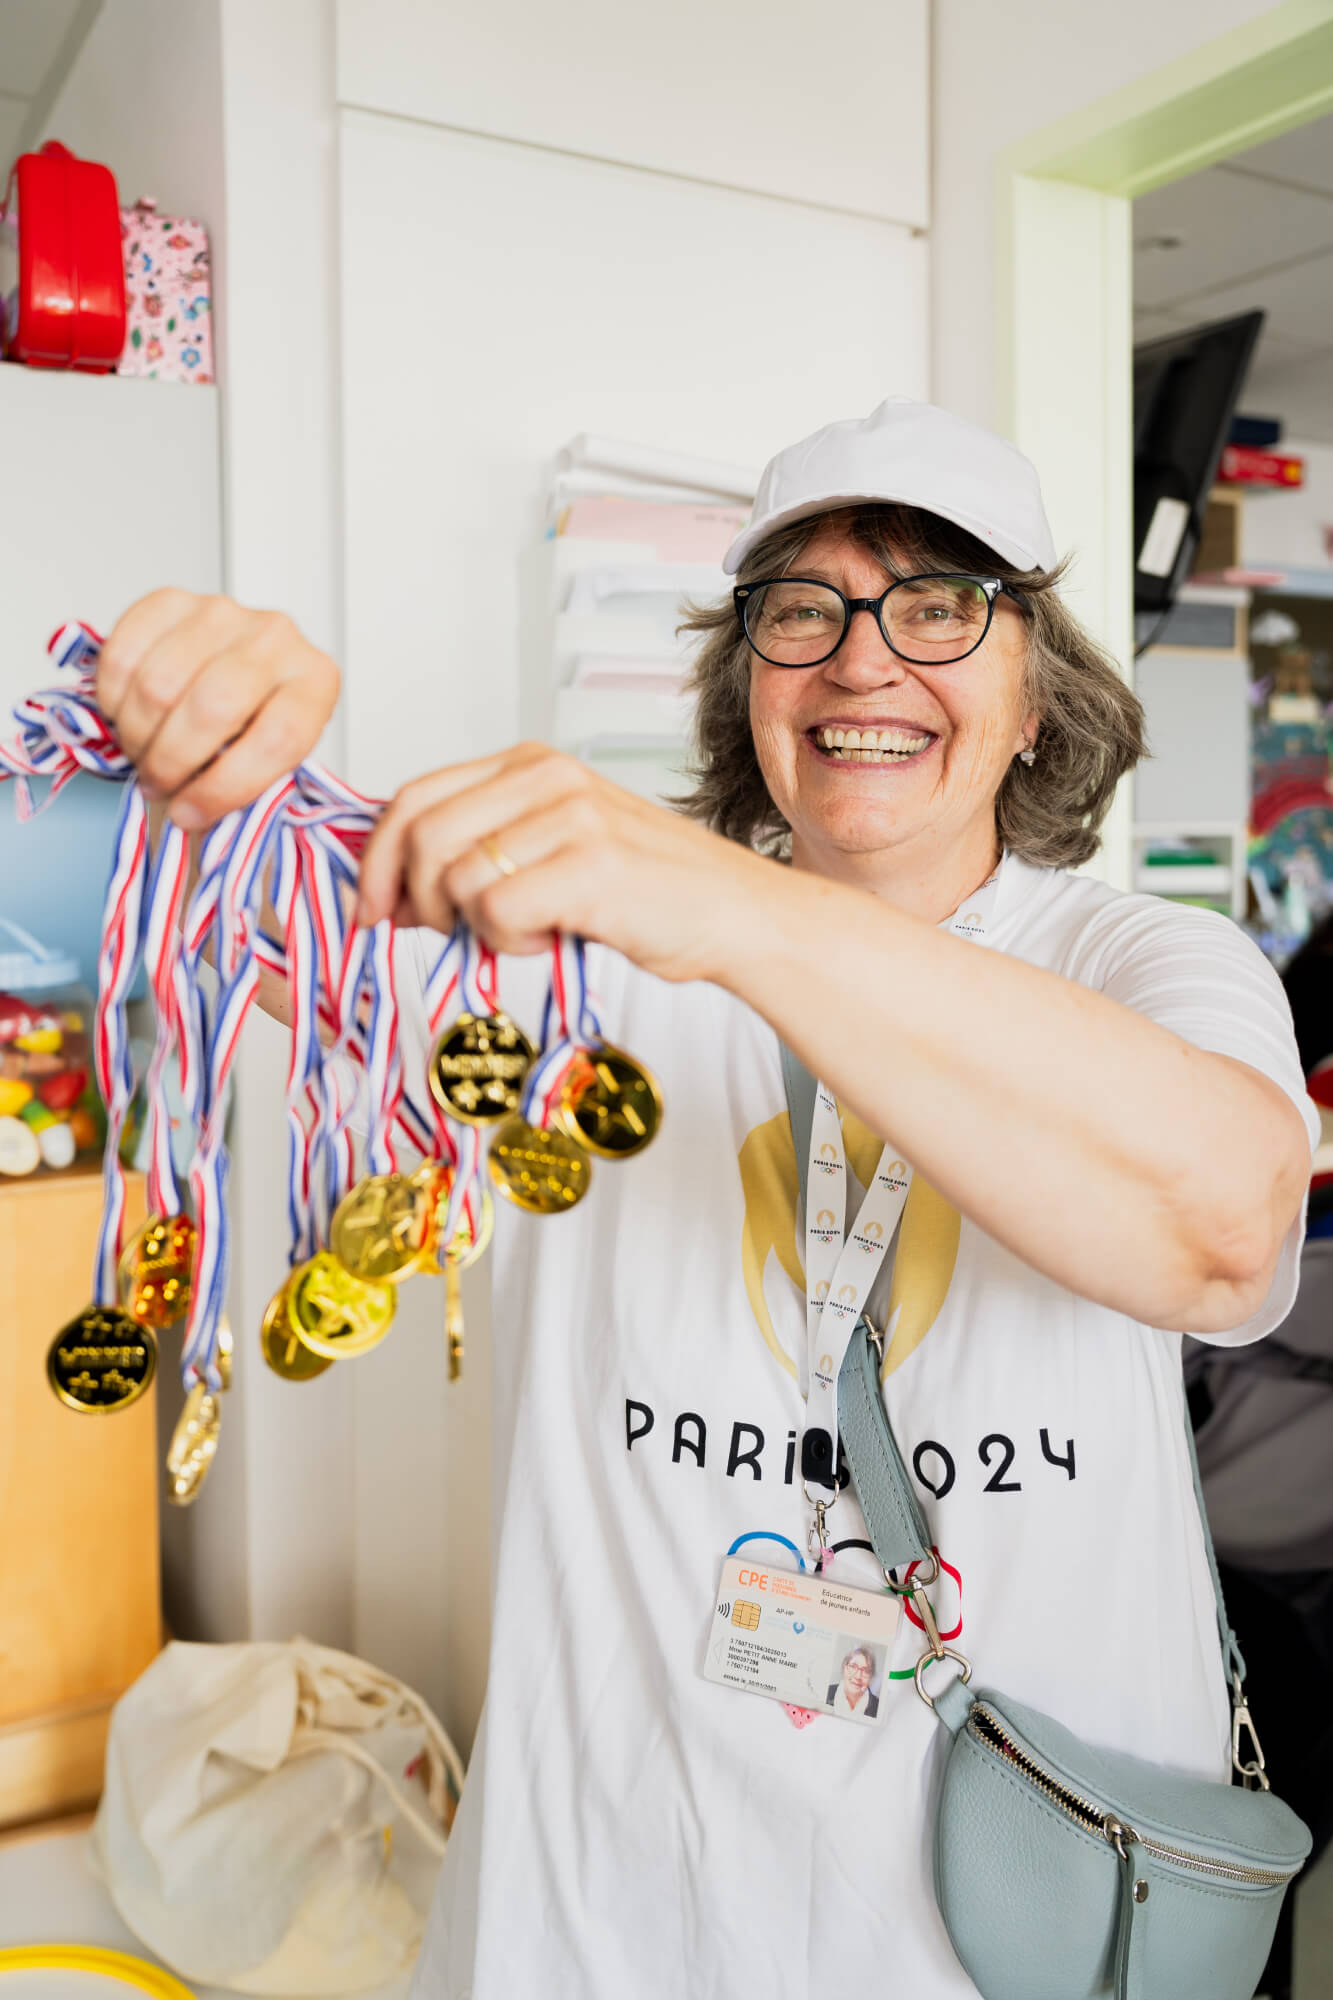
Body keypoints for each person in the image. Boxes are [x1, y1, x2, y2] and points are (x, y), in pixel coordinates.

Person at [96, 398, 1317, 1999]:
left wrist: (727, 907)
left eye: (940, 604)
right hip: (606, 1922)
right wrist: (196, 732)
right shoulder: (572, 956)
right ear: (747, 691)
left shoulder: (1147, 962)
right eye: (799, 611)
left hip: (1016, 1933)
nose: (862, 660)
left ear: (1037, 701)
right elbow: (196, 904)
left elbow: (1224, 1235)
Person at [827, 1644, 879, 1720]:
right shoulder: (827, 1692)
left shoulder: (878, 1707)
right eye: (853, 1666)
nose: (858, 1676)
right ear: (844, 1667)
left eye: (866, 1671)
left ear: (871, 1676)